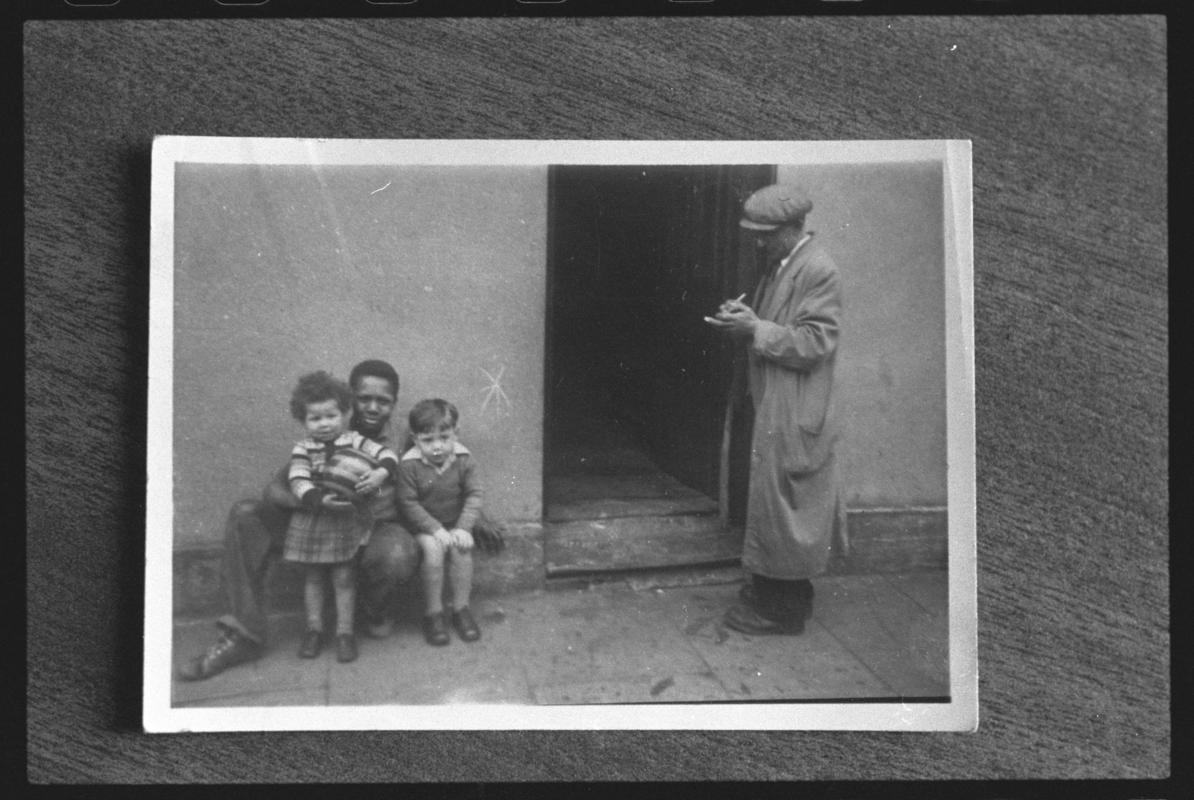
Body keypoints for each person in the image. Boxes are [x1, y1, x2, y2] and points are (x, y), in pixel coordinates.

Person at [178, 359, 420, 680]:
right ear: (350, 399)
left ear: (394, 403)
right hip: (318, 525)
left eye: (383, 401)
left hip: (373, 530)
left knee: (397, 553)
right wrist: (311, 502)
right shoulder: (326, 426)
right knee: (245, 514)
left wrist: (476, 516)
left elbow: (444, 472)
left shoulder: (405, 438)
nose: (373, 408)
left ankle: (370, 611)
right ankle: (244, 635)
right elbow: (275, 490)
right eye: (364, 399)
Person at [704, 183, 848, 635]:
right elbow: (773, 325)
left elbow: (816, 342)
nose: (758, 243)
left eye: (765, 235)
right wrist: (742, 320)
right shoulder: (781, 264)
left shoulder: (818, 269)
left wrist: (755, 329)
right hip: (775, 401)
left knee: (788, 509)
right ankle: (770, 593)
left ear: (792, 227)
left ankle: (783, 611)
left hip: (795, 407)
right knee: (773, 504)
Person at [281, 371, 401, 664]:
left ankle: (344, 633)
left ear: (345, 413)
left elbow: (387, 455)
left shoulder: (355, 440)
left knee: (344, 576)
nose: (324, 424)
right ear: (303, 420)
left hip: (346, 521)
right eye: (315, 418)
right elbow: (298, 478)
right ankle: (314, 630)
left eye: (331, 416)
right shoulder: (303, 449)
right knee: (313, 577)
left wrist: (380, 473)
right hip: (315, 518)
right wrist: (316, 499)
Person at [395, 399, 485, 646]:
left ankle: (461, 609)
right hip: (423, 525)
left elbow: (474, 494)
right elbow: (408, 503)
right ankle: (433, 613)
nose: (437, 447)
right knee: (434, 551)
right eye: (428, 440)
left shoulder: (464, 459)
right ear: (415, 440)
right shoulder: (409, 465)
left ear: (456, 433)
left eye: (444, 438)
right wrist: (435, 529)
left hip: (454, 522)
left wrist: (463, 528)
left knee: (461, 549)